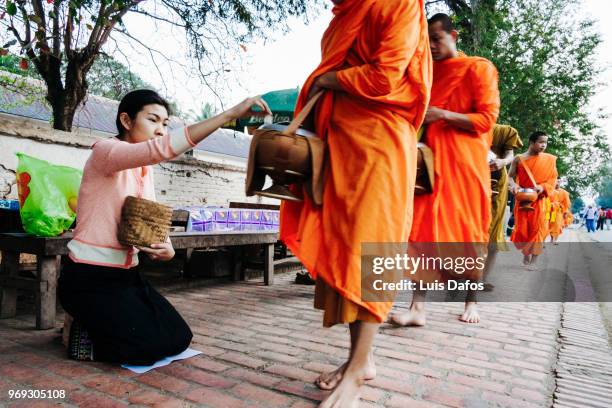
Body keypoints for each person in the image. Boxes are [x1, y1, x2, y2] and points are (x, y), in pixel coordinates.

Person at [279, 0, 432, 405]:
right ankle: (358, 362)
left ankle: (359, 371)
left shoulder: (398, 3)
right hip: (343, 141)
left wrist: (328, 81)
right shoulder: (347, 11)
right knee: (348, 251)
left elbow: (385, 77)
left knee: (372, 249)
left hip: (380, 140)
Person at [59, 90, 271, 364]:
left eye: (165, 124)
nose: (160, 130)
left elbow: (151, 222)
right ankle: (81, 333)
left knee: (178, 336)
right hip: (88, 278)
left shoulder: (145, 170)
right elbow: (161, 149)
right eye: (153, 120)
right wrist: (229, 115)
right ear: (126, 120)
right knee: (144, 350)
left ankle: (96, 325)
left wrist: (166, 247)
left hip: (127, 276)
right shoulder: (105, 152)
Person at [388, 12, 500, 327]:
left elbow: (486, 120)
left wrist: (443, 115)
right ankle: (417, 308)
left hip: (466, 166)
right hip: (429, 165)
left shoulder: (479, 68)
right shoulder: (426, 74)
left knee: (467, 233)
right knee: (421, 232)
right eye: (427, 41)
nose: (432, 46)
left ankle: (471, 301)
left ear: (454, 36)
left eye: (436, 39)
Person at [508, 131, 558, 268]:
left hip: (540, 200)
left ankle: (534, 262)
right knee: (522, 230)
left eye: (545, 143)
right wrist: (514, 186)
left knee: (538, 230)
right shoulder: (519, 158)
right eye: (541, 142)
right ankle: (526, 253)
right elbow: (510, 176)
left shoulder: (549, 159)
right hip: (523, 199)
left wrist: (542, 187)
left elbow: (553, 179)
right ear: (531, 142)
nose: (544, 145)